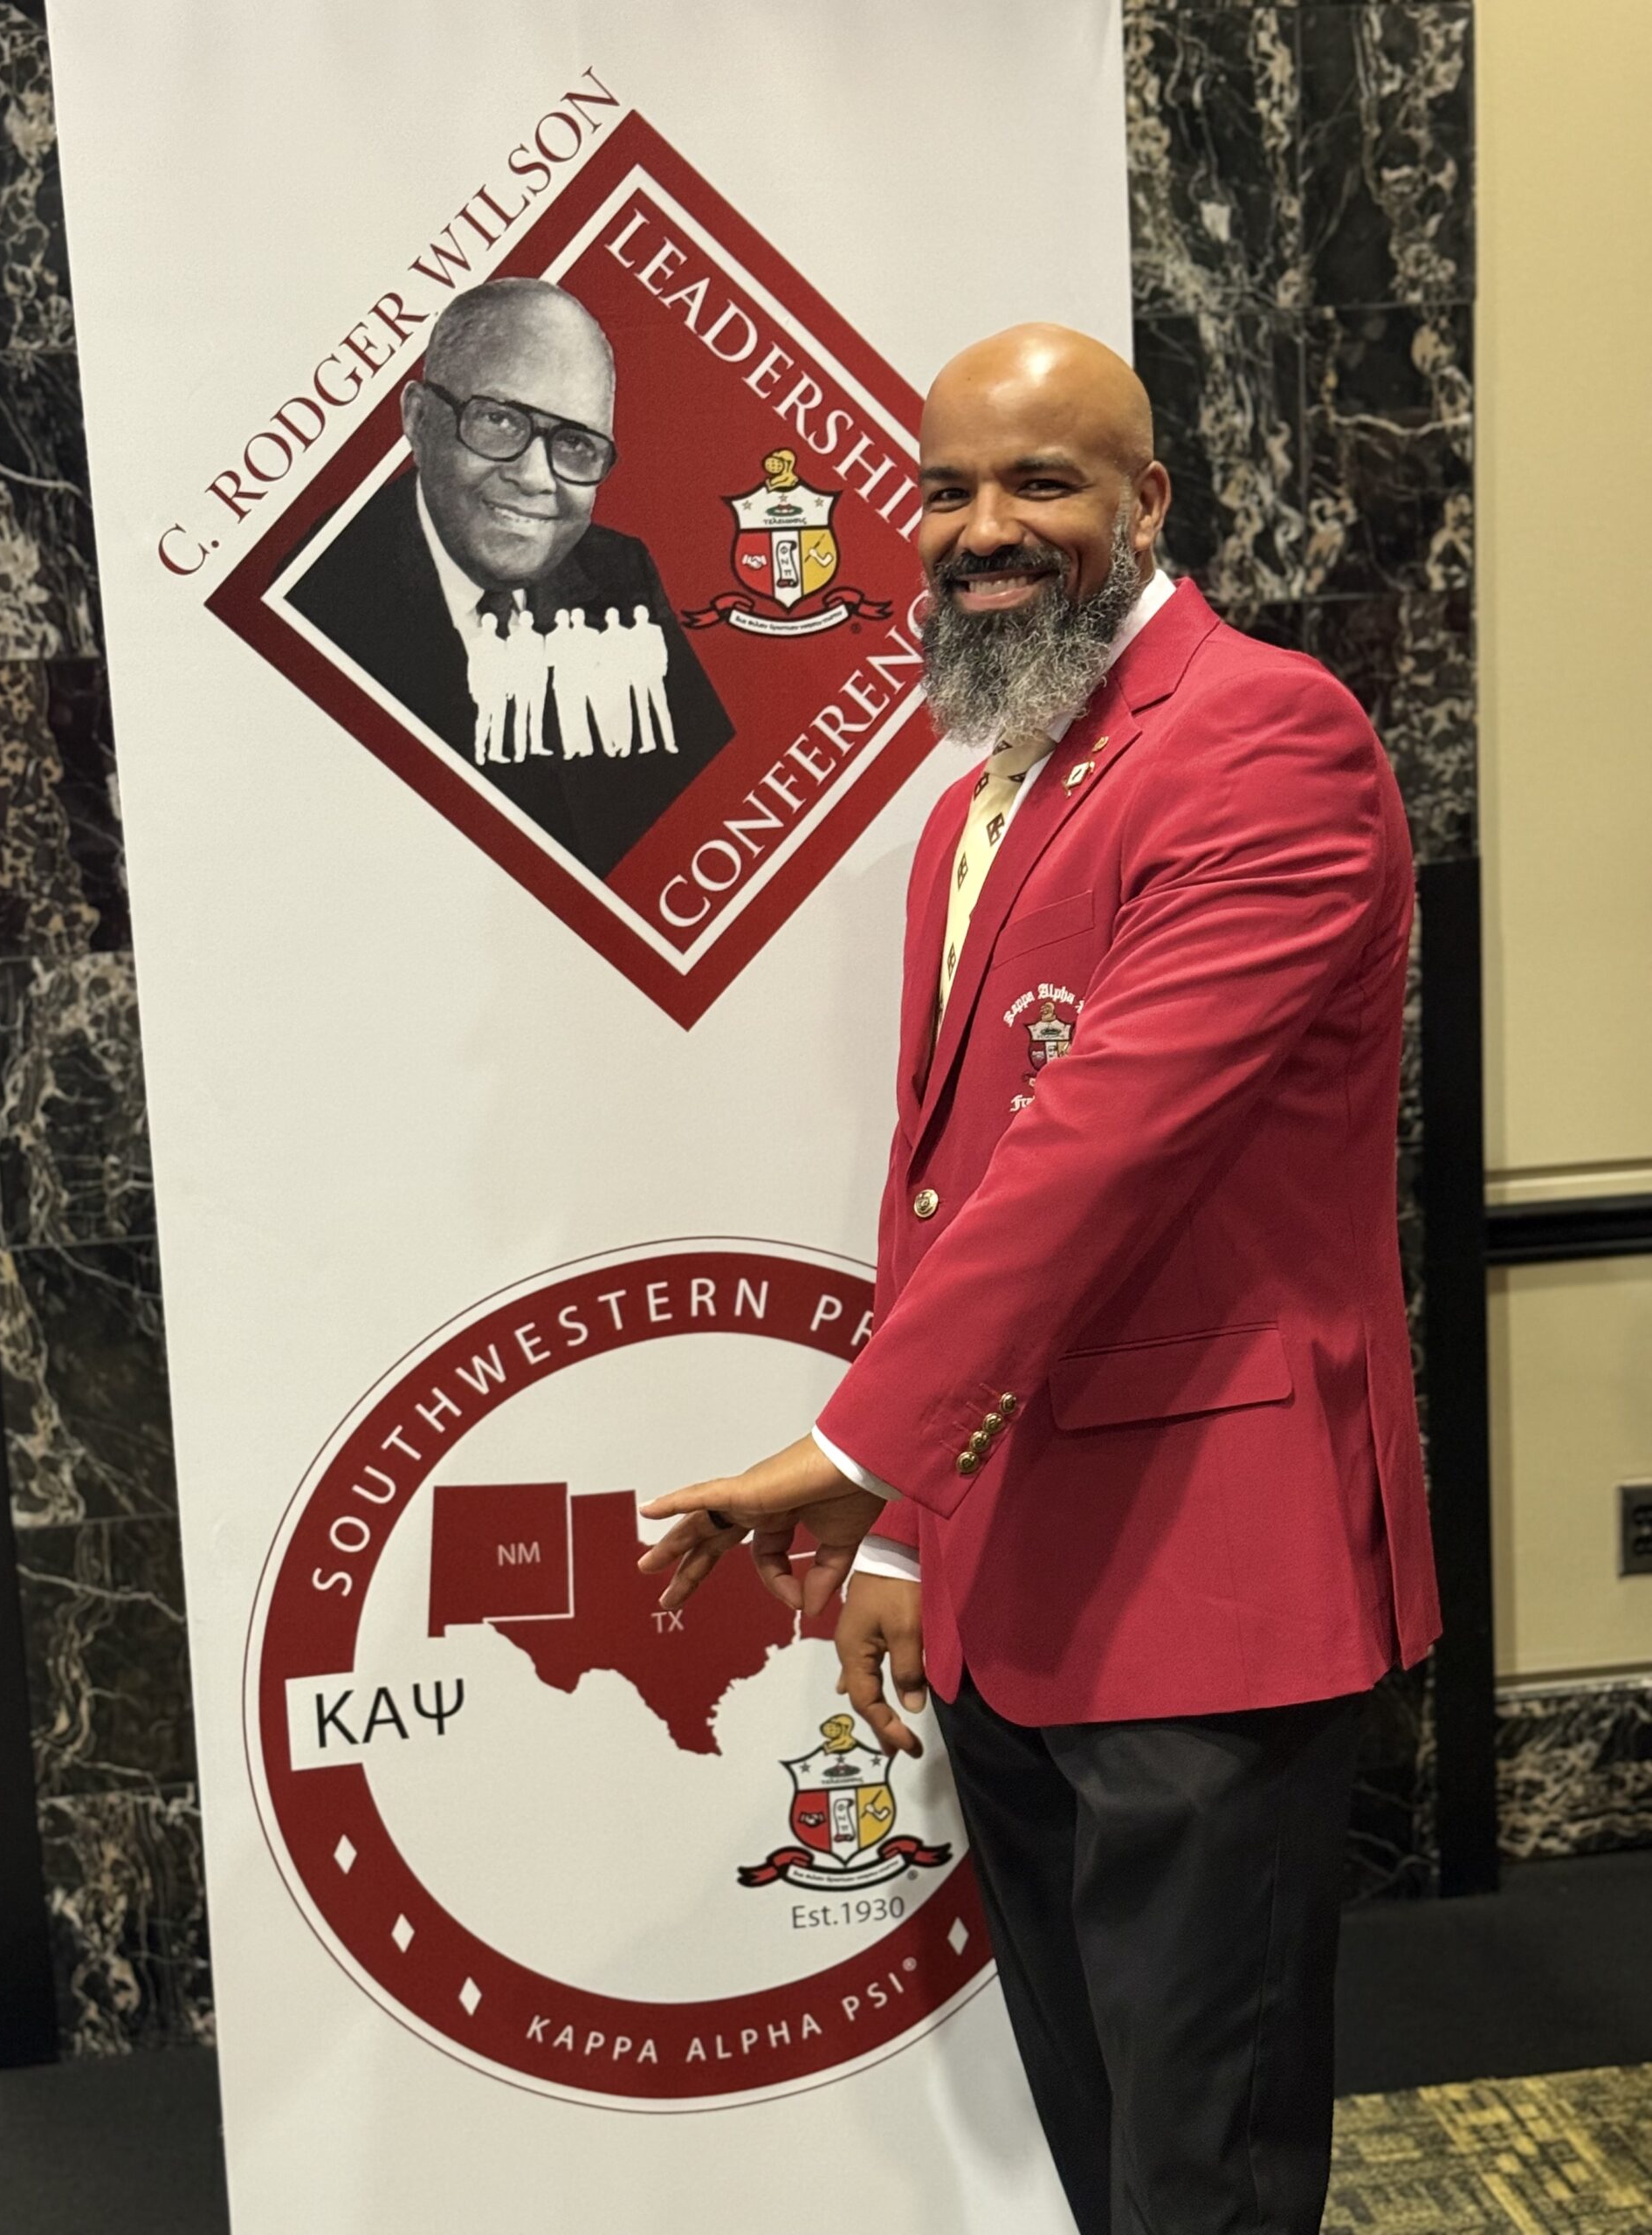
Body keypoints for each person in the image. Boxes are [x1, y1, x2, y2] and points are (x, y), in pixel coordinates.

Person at [637, 324, 1442, 2235]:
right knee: (1106, 2152)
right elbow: (950, 1197)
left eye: (1041, 482)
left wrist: (851, 1448)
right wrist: (913, 1531)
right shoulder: (976, 801)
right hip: (1010, 1582)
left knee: (1205, 2171)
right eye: (946, 490)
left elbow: (1101, 1153)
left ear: (1147, 500)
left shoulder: (1267, 737)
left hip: (1212, 1584)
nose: (982, 528)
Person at [286, 277, 733, 877]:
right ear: (418, 418)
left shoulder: (619, 575)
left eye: (576, 444)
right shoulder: (313, 592)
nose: (537, 477)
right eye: (499, 420)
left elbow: (701, 801)